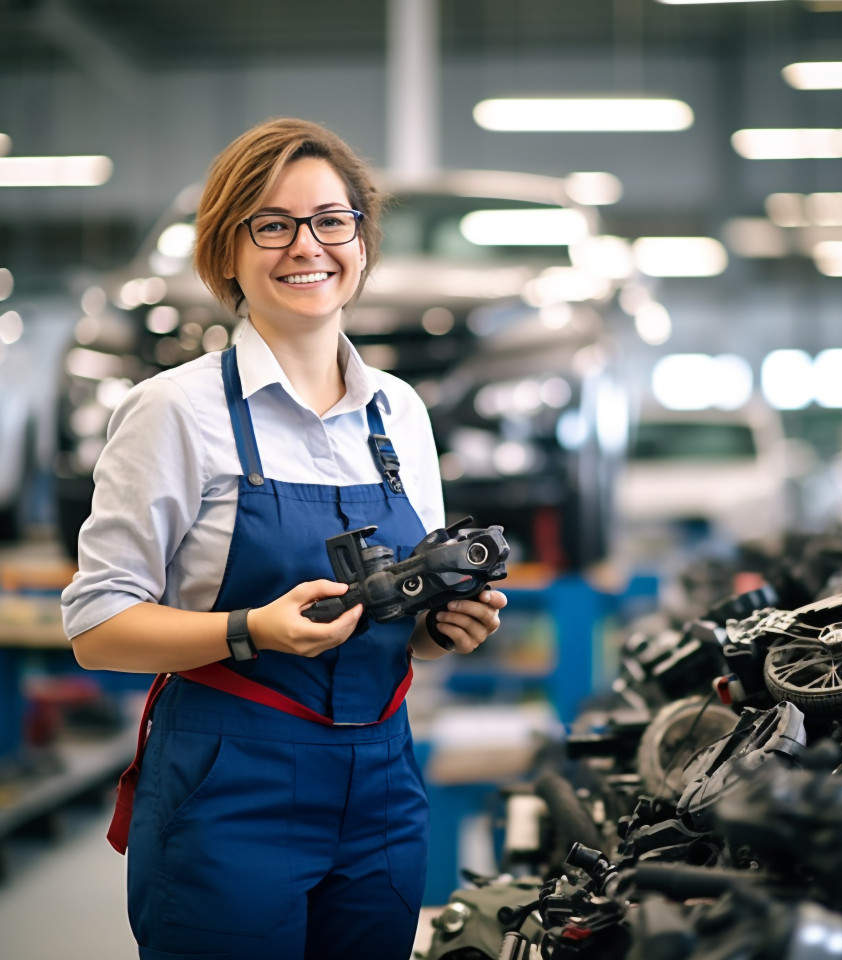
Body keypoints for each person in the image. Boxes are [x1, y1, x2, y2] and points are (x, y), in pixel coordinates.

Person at [61, 116, 507, 960]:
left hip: (383, 779)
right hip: (231, 784)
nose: (308, 246)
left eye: (331, 221)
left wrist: (440, 628)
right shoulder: (173, 411)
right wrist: (251, 630)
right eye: (272, 224)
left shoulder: (400, 413)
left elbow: (405, 612)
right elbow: (95, 628)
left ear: (362, 244)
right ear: (226, 251)